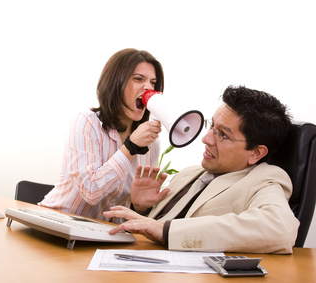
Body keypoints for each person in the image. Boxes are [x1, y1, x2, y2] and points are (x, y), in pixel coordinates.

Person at [104, 85, 300, 254]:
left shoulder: (265, 178)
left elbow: (281, 229)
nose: (205, 139)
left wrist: (166, 231)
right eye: (212, 125)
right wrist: (141, 208)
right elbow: (150, 230)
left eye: (222, 135)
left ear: (256, 153)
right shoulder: (189, 174)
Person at [39, 48, 163, 222]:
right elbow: (91, 191)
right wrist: (130, 147)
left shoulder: (151, 143)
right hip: (56, 223)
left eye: (153, 82)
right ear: (115, 83)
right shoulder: (87, 123)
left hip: (102, 236)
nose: (149, 87)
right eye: (138, 79)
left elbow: (127, 210)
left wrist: (139, 207)